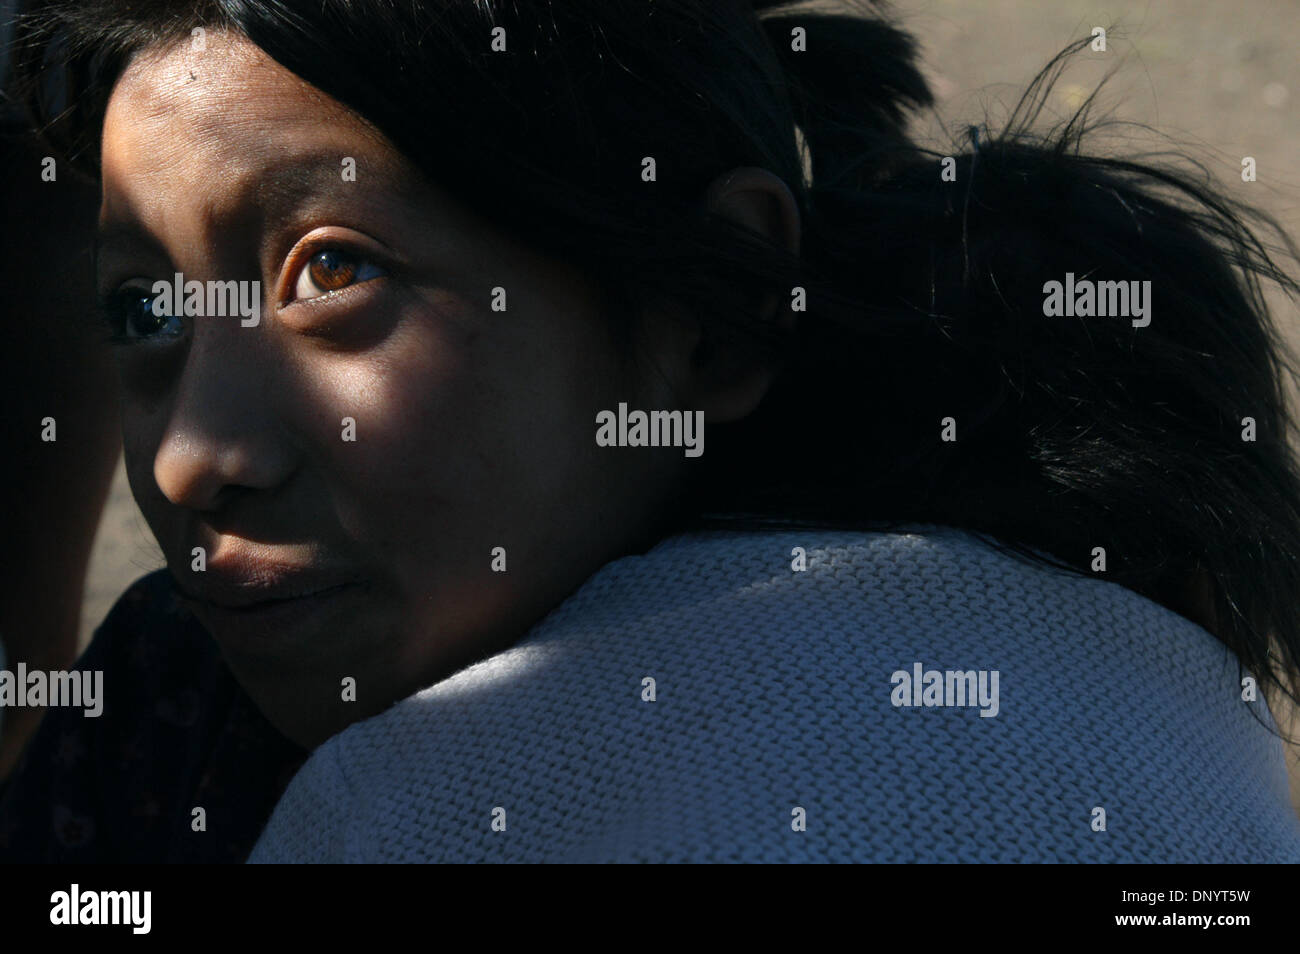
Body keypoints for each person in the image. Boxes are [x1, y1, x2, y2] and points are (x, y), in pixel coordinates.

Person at [4, 0, 1300, 862]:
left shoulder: (882, 750)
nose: (190, 457)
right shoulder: (162, 716)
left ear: (706, 315)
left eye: (334, 271)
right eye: (144, 306)